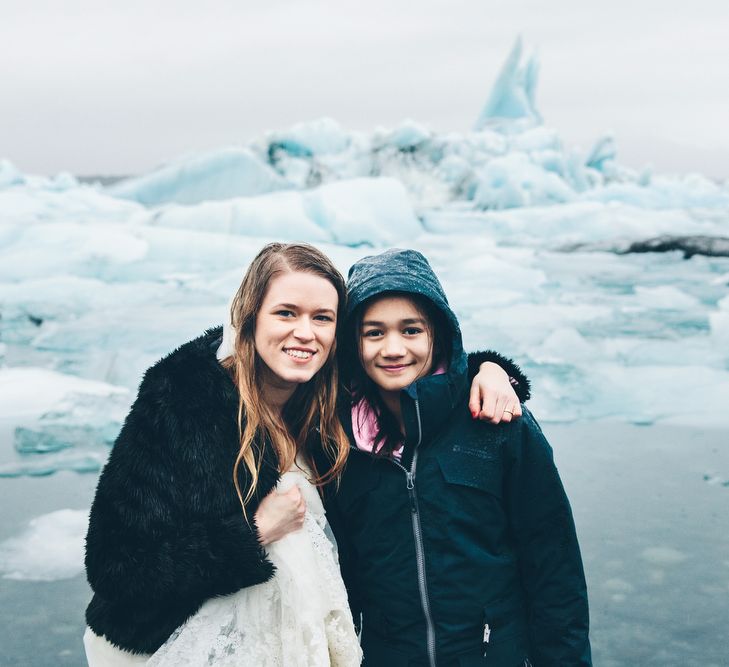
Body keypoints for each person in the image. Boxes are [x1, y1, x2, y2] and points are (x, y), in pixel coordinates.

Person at [82, 243, 527, 666]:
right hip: (168, 649)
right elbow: (115, 568)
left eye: (322, 318)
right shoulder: (185, 401)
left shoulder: (326, 400)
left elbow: (422, 376)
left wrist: (491, 371)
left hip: (282, 643)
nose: (305, 333)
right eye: (286, 313)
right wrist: (251, 534)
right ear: (250, 317)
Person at [327, 249, 591, 666]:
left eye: (411, 330)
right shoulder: (339, 443)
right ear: (352, 343)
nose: (393, 348)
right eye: (374, 333)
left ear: (439, 334)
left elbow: (554, 570)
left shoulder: (498, 423)